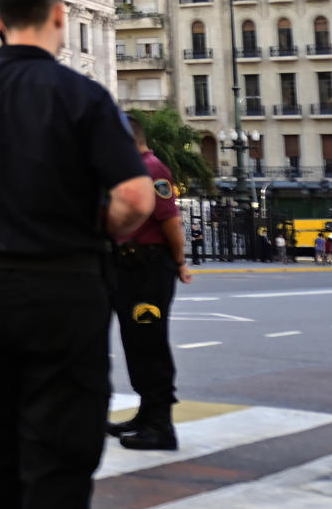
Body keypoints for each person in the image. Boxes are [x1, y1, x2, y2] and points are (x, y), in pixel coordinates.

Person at [0, 0, 155, 506]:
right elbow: (136, 198)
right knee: (59, 453)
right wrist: (90, 223)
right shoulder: (83, 95)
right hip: (64, 285)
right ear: (59, 15)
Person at [109, 117, 193, 450]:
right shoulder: (133, 169)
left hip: (148, 267)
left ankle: (161, 426)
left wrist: (180, 262)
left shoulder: (152, 169)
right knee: (136, 341)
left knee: (150, 342)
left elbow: (170, 221)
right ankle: (147, 414)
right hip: (130, 267)